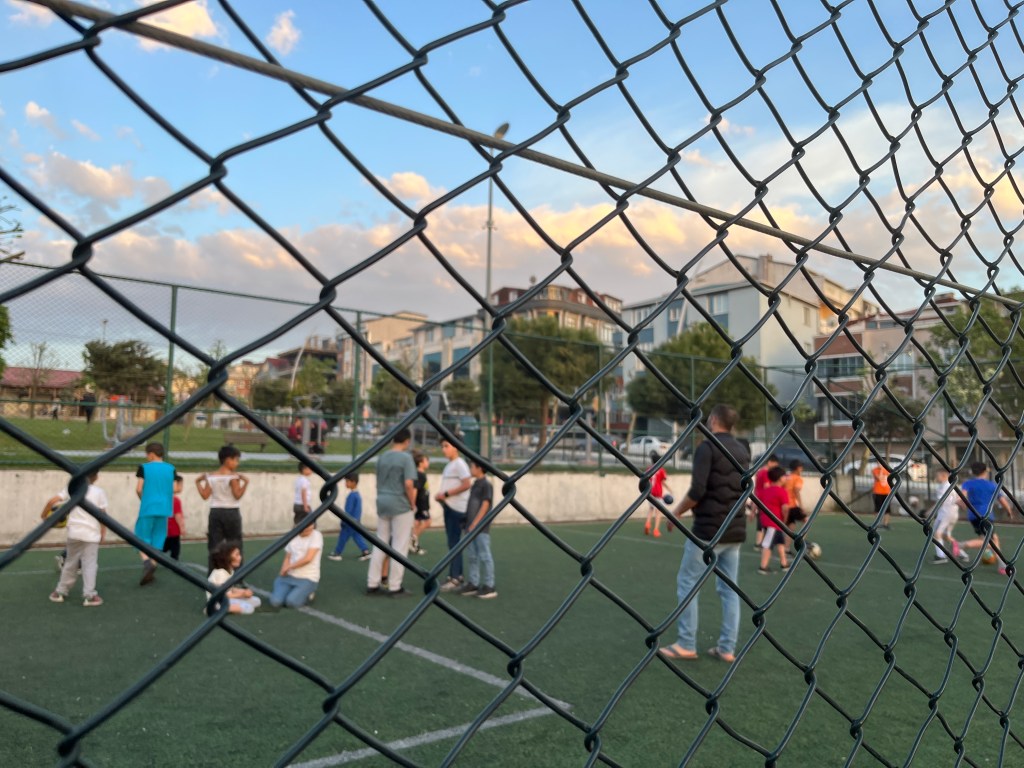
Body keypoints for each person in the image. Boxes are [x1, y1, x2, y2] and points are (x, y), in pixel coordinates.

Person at [661, 404, 750, 663]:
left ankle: (686, 644)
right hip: (734, 530)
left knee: (688, 583)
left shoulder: (707, 447)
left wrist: (676, 512)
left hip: (708, 531)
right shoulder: (742, 450)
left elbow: (698, 491)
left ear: (713, 420)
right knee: (729, 590)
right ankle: (727, 648)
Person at [366, 428, 417, 597]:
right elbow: (409, 484)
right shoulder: (406, 458)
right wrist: (412, 503)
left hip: (382, 501)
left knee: (380, 543)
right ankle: (395, 586)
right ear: (407, 441)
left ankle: (372, 583)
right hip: (400, 504)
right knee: (399, 545)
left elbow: (377, 481)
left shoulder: (382, 457)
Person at [47, 470, 107, 607]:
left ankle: (60, 592)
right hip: (91, 534)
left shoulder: (72, 489)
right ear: (96, 477)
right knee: (90, 564)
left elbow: (53, 501)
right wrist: (103, 531)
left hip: (74, 532)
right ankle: (89, 596)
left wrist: (44, 515)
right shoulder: (99, 492)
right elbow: (103, 514)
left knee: (70, 562)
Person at [195, 445, 249, 573]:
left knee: (214, 544)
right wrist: (245, 483)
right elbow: (237, 495)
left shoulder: (211, 476)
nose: (237, 463)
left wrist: (198, 483)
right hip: (231, 511)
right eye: (236, 460)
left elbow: (205, 495)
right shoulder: (233, 477)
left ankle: (213, 572)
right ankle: (237, 573)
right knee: (235, 544)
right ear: (228, 460)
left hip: (215, 512)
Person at [958, 461, 1014, 575]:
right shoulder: (991, 485)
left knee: (991, 538)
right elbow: (1002, 500)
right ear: (985, 472)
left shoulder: (968, 483)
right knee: (991, 540)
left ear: (972, 472)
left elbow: (962, 497)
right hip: (986, 516)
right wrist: (1009, 511)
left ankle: (990, 556)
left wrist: (962, 504)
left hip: (973, 516)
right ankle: (961, 545)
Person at [135, 442, 177, 586]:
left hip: (148, 507)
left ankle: (147, 562)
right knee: (158, 538)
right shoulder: (171, 468)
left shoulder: (144, 467)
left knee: (140, 537)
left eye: (147, 454)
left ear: (151, 454)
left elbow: (139, 489)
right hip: (165, 508)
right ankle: (153, 564)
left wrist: (143, 499)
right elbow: (174, 488)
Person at [456, 459, 498, 599]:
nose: (470, 468)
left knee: (485, 556)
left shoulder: (486, 485)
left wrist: (475, 523)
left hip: (480, 528)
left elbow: (485, 505)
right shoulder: (475, 484)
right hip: (470, 527)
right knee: (472, 556)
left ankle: (489, 585)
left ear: (479, 468)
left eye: (472, 466)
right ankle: (473, 583)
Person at [436, 439, 472, 592]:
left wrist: (446, 494)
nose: (443, 449)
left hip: (457, 509)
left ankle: (455, 577)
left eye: (446, 446)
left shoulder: (460, 464)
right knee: (452, 542)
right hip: (449, 507)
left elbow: (467, 484)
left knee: (454, 543)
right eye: (442, 446)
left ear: (456, 447)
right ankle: (456, 575)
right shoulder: (450, 465)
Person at [270, 511, 323, 608]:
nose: (310, 528)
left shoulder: (316, 535)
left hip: (308, 578)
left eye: (311, 524)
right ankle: (289, 589)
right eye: (306, 526)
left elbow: (308, 559)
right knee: (275, 602)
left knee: (291, 602)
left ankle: (309, 594)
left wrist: (289, 567)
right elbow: (288, 556)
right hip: (289, 576)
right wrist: (283, 570)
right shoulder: (292, 536)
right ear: (297, 526)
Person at [206, 541, 261, 615]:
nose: (240, 557)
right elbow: (221, 595)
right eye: (237, 555)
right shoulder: (220, 573)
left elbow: (229, 589)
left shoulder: (230, 571)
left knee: (256, 601)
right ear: (227, 557)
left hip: (226, 598)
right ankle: (219, 609)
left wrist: (242, 591)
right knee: (249, 608)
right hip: (218, 602)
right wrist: (242, 594)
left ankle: (230, 607)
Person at [328, 472, 371, 562]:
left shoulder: (352, 496)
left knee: (343, 537)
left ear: (353, 482)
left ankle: (337, 553)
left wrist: (344, 521)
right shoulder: (357, 495)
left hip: (349, 522)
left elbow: (348, 510)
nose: (345, 483)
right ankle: (366, 552)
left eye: (347, 481)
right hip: (355, 521)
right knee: (356, 536)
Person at [757, 466, 791, 574]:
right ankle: (763, 567)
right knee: (768, 544)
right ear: (780, 478)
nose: (786, 478)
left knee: (780, 542)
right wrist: (785, 521)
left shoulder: (765, 491)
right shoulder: (782, 491)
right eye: (784, 476)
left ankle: (784, 563)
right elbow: (785, 508)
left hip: (767, 521)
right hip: (773, 522)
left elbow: (758, 503)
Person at [931, 468, 966, 565]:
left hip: (947, 513)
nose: (936, 477)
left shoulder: (946, 486)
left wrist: (929, 512)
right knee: (946, 536)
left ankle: (941, 556)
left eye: (938, 475)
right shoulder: (949, 485)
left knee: (937, 534)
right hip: (949, 513)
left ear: (944, 476)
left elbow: (940, 501)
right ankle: (961, 553)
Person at [643, 451, 673, 538]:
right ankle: (656, 530)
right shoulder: (661, 470)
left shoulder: (649, 469)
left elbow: (646, 480)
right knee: (658, 512)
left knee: (651, 509)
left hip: (650, 492)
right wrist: (670, 490)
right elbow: (663, 482)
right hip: (658, 493)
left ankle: (647, 524)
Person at [753, 454, 779, 549]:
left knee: (761, 520)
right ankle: (760, 542)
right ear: (770, 462)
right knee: (764, 521)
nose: (775, 466)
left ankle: (759, 542)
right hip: (764, 500)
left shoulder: (760, 471)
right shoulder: (766, 472)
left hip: (758, 497)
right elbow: (767, 487)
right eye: (775, 464)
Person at [410, 451, 431, 556]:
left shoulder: (421, 474)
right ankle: (412, 540)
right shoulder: (420, 475)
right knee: (427, 522)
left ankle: (414, 543)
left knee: (417, 523)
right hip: (420, 504)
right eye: (426, 460)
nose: (428, 462)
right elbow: (415, 489)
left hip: (422, 504)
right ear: (420, 463)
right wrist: (413, 504)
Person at [162, 474, 186, 561]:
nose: (182, 487)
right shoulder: (175, 500)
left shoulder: (165, 498)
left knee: (164, 546)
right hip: (174, 530)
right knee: (175, 549)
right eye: (181, 485)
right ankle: (174, 562)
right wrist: (182, 527)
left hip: (165, 529)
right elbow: (177, 516)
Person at [782, 460, 806, 527]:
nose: (802, 469)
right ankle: (803, 534)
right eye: (801, 467)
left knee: (791, 524)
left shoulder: (785, 477)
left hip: (784, 505)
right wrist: (801, 506)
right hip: (792, 505)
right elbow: (796, 491)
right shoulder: (797, 478)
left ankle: (785, 534)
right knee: (806, 520)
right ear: (798, 468)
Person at [872, 461, 892, 529]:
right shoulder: (875, 470)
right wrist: (881, 470)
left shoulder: (887, 470)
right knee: (878, 509)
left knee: (887, 509)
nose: (879, 464)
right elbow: (879, 478)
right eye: (878, 463)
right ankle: (877, 523)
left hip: (886, 492)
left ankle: (886, 524)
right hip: (878, 492)